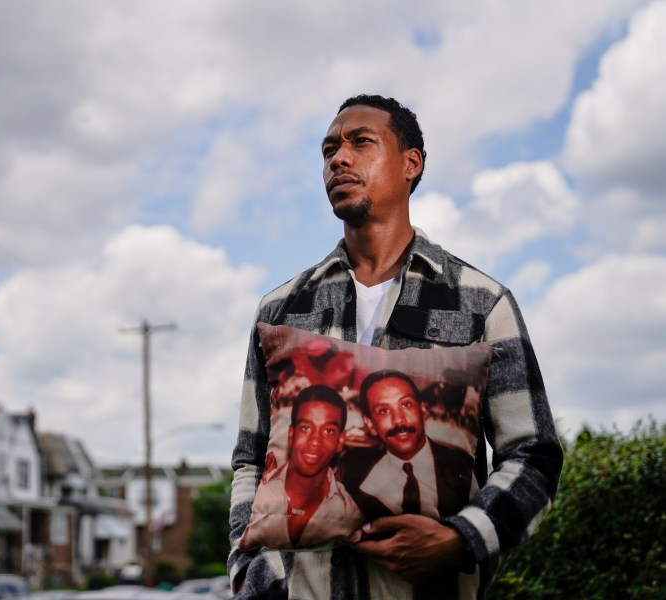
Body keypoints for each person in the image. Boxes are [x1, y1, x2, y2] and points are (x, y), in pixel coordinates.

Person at [228, 94, 563, 599]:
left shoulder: (481, 303)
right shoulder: (279, 310)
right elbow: (252, 461)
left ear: (412, 164)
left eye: (361, 142)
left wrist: (460, 538)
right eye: (328, 150)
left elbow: (533, 455)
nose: (338, 158)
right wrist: (252, 578)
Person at [239, 385, 362, 550]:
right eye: (306, 428)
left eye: (328, 431)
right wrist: (240, 562)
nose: (315, 441)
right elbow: (246, 464)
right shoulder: (263, 490)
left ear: (340, 441)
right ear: (291, 434)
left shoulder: (350, 511)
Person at [339, 370, 474, 520]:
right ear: (370, 424)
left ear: (423, 411)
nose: (399, 421)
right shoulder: (349, 468)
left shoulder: (463, 468)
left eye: (406, 404)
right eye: (384, 411)